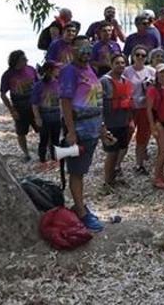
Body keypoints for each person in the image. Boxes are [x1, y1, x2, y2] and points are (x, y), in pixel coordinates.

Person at [58, 35, 105, 231]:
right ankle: (81, 212)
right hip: (79, 129)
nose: (85, 52)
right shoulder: (69, 72)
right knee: (76, 172)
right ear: (73, 50)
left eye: (88, 47)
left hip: (93, 128)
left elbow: (95, 100)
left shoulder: (90, 69)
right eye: (80, 48)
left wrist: (102, 129)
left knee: (82, 170)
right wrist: (71, 132)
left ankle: (80, 205)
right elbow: (65, 101)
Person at [99, 55, 133, 189]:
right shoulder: (103, 81)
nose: (120, 65)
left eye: (123, 63)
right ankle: (107, 182)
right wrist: (102, 125)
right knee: (111, 153)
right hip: (109, 123)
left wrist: (130, 121)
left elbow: (129, 102)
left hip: (123, 122)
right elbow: (98, 104)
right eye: (117, 63)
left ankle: (114, 177)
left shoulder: (125, 81)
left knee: (121, 149)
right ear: (111, 64)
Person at [0, 50, 38, 162]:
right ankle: (26, 153)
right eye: (23, 59)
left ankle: (49, 150)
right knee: (21, 132)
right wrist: (12, 110)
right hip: (19, 107)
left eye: (26, 58)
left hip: (34, 104)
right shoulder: (8, 75)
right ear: (16, 61)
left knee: (43, 128)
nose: (26, 61)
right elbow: (3, 94)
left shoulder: (31, 69)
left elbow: (39, 85)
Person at [124, 45, 155, 174]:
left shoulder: (151, 71)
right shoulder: (126, 71)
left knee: (143, 137)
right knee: (126, 136)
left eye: (143, 55)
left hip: (144, 108)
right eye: (138, 55)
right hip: (130, 108)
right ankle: (117, 165)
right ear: (133, 56)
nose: (140, 57)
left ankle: (139, 164)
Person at [30, 61, 60, 165]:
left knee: (56, 139)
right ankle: (42, 160)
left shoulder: (58, 82)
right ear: (49, 71)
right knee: (44, 138)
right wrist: (37, 117)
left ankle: (55, 158)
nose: (58, 70)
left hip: (57, 114)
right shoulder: (39, 85)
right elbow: (34, 104)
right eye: (56, 68)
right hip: (45, 114)